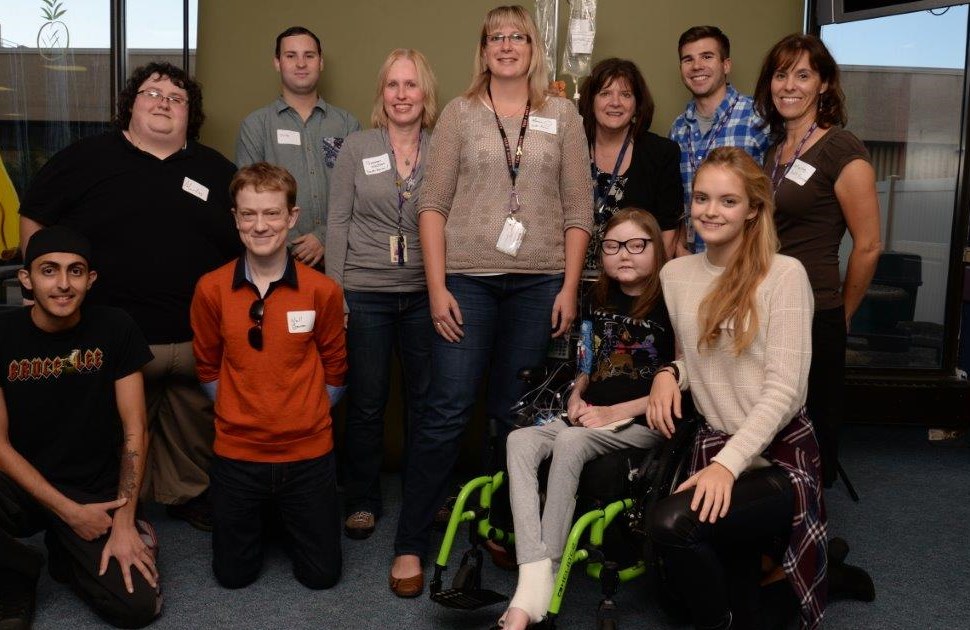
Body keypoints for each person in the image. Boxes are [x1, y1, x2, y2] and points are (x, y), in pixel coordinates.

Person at [389, 4, 593, 598]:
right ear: (483, 50)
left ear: (533, 47)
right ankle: (411, 541)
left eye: (518, 36)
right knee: (448, 408)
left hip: (539, 284)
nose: (506, 45)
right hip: (468, 283)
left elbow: (579, 207)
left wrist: (568, 286)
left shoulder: (563, 115)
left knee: (514, 414)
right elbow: (432, 205)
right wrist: (436, 287)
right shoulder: (458, 113)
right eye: (495, 37)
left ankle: (504, 524)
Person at [18, 62, 240, 531]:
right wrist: (35, 291)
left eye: (176, 98)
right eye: (151, 93)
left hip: (191, 331)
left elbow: (244, 241)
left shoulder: (216, 170)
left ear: (190, 114)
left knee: (192, 421)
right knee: (105, 427)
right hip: (108, 333)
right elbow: (35, 218)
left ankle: (187, 494)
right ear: (130, 106)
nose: (163, 102)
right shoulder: (86, 158)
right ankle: (113, 500)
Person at [646, 147, 824, 630]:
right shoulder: (675, 274)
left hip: (776, 457)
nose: (710, 211)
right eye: (702, 198)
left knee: (671, 525)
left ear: (753, 210)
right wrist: (669, 374)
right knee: (699, 594)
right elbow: (697, 357)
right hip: (714, 445)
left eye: (727, 201)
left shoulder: (784, 275)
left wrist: (727, 466)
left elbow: (785, 390)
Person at [499, 208, 672, 629]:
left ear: (656, 248)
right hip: (589, 414)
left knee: (572, 443)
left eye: (636, 245)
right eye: (612, 247)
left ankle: (535, 591)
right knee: (519, 441)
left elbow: (682, 381)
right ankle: (534, 571)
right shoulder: (597, 296)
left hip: (639, 423)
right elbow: (587, 362)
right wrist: (577, 395)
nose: (623, 255)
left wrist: (616, 411)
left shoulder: (672, 301)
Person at [190, 163, 347, 590]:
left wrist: (300, 412)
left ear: (292, 217)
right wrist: (247, 410)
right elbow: (206, 364)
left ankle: (288, 515)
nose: (260, 226)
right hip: (238, 455)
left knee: (322, 577)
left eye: (272, 214)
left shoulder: (322, 290)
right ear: (236, 218)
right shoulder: (211, 289)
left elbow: (335, 366)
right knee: (232, 577)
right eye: (249, 214)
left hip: (308, 454)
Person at [0, 227, 160, 629]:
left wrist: (123, 523)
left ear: (90, 280)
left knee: (136, 608)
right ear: (26, 279)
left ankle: (70, 553)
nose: (62, 284)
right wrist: (68, 513)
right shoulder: (3, 335)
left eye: (75, 271)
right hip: (26, 485)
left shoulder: (115, 327)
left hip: (97, 491)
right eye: (49, 271)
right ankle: (20, 568)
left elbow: (135, 429)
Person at [753, 33, 881, 488]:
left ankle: (812, 535)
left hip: (814, 309)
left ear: (824, 84)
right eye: (781, 74)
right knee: (774, 419)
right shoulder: (773, 154)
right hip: (767, 307)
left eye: (803, 75)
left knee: (815, 422)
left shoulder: (841, 149)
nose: (789, 85)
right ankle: (773, 525)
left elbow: (868, 245)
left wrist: (842, 311)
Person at [325, 48, 438, 541]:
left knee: (425, 401)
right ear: (382, 93)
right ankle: (362, 500)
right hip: (366, 291)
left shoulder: (444, 146)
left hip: (423, 293)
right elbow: (338, 220)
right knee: (368, 403)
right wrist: (336, 295)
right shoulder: (357, 146)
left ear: (425, 92)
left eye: (410, 85)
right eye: (393, 85)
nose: (401, 95)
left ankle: (422, 497)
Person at [237, 26, 362, 269]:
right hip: (276, 261)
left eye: (309, 55)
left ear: (321, 62)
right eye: (291, 56)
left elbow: (361, 194)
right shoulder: (256, 126)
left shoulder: (348, 124)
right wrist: (292, 244)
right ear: (277, 62)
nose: (301, 63)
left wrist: (324, 237)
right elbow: (248, 197)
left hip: (339, 261)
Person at [670, 26, 771, 255]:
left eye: (707, 56)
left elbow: (775, 197)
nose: (697, 66)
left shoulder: (758, 118)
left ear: (726, 65)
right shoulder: (677, 130)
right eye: (688, 59)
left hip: (746, 262)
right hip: (695, 262)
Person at [578, 58, 683, 260]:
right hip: (572, 277)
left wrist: (648, 284)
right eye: (605, 93)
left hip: (634, 280)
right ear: (591, 101)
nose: (615, 102)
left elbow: (668, 231)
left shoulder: (661, 153)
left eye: (625, 95)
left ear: (637, 105)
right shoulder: (572, 147)